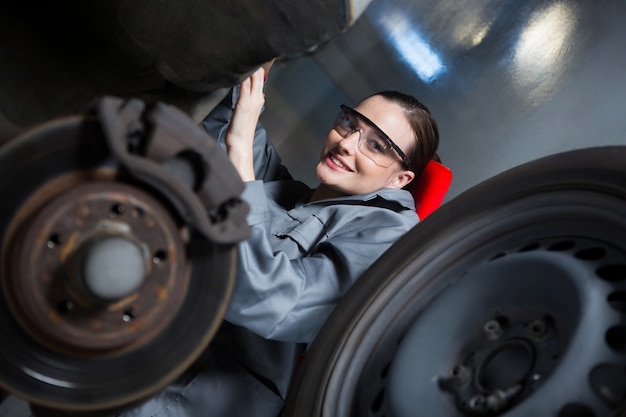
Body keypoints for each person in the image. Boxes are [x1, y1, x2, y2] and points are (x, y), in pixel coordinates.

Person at [119, 66, 440, 417]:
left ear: (400, 179)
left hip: (191, 398)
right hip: (141, 347)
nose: (346, 144)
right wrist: (256, 63)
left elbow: (267, 298)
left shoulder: (385, 235)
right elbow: (223, 134)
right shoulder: (294, 196)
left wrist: (240, 148)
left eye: (377, 145)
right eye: (350, 123)